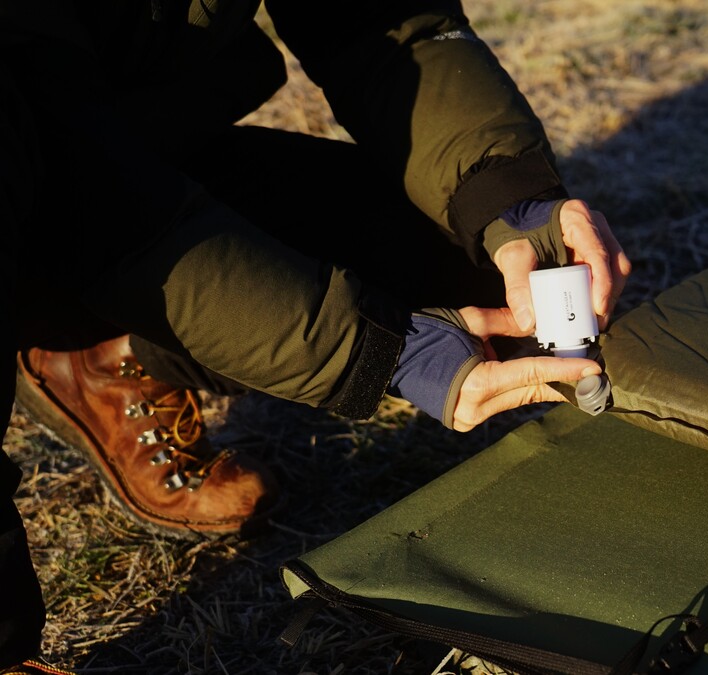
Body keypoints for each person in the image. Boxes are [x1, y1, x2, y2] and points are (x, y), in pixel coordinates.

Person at [0, 1, 633, 672]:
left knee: (481, 270)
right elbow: (92, 194)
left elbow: (384, 24)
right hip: (39, 169)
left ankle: (102, 346)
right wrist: (379, 349)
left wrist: (510, 202)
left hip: (135, 157)